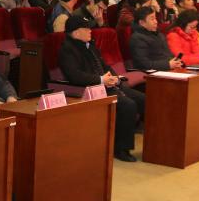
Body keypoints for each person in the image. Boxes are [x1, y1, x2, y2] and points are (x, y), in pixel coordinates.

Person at [58, 15, 144, 161]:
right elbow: (75, 76)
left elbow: (105, 66)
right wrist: (101, 80)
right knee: (128, 105)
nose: (90, 31)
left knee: (143, 99)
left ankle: (154, 142)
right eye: (87, 29)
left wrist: (114, 78)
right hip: (89, 89)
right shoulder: (67, 50)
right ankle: (121, 149)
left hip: (107, 85)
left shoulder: (90, 45)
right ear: (76, 32)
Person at [129, 6, 185, 71]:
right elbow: (143, 64)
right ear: (142, 23)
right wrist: (168, 65)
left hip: (167, 69)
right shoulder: (137, 38)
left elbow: (168, 54)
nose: (156, 22)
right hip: (151, 73)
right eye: (152, 19)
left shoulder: (159, 34)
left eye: (155, 18)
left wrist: (176, 62)